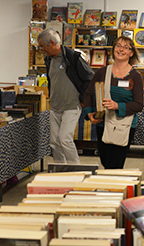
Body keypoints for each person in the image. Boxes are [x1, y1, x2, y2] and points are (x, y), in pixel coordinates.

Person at [83, 36, 144, 169]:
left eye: (126, 47)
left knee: (116, 164)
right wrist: (89, 114)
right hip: (103, 125)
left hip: (124, 126)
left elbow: (139, 105)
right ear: (113, 49)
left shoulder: (135, 76)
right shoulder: (102, 72)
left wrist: (117, 106)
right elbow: (88, 94)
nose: (121, 49)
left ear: (131, 53)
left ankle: (114, 188)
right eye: (118, 46)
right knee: (105, 161)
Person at [37, 29, 94, 164]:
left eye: (43, 47)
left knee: (65, 139)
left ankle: (75, 170)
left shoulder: (73, 57)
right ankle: (59, 171)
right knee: (54, 142)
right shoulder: (49, 60)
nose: (42, 50)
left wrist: (82, 100)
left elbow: (89, 78)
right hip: (55, 107)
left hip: (71, 106)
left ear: (52, 43)